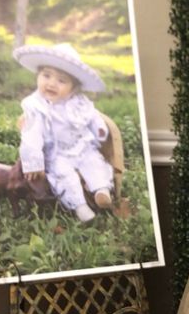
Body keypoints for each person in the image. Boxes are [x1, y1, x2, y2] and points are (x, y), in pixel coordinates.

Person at [13, 42, 115, 223]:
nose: (52, 83)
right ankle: (80, 206)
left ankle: (101, 190)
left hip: (82, 146)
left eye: (61, 80)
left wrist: (99, 129)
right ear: (38, 75)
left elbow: (92, 117)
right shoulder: (36, 106)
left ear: (73, 87)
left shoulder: (79, 102)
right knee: (64, 175)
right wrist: (33, 163)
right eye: (46, 76)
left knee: (94, 162)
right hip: (57, 153)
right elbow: (31, 137)